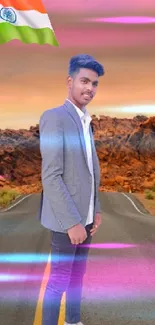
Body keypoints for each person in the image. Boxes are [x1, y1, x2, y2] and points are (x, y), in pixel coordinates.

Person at [38, 54, 105, 325]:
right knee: (59, 282)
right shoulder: (55, 118)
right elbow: (51, 176)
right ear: (70, 81)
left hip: (87, 219)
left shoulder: (85, 121)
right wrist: (72, 222)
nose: (90, 88)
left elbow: (89, 172)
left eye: (95, 83)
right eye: (84, 81)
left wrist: (95, 211)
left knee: (78, 278)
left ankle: (74, 321)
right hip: (69, 222)